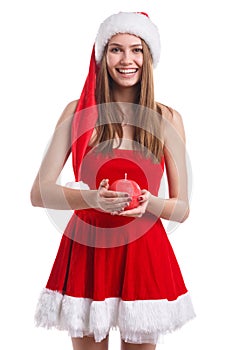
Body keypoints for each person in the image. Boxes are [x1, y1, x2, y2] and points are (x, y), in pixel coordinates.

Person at [31, 11, 195, 350]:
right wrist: (90, 198)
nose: (127, 59)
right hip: (88, 250)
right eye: (116, 49)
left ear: (148, 58)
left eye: (136, 50)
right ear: (102, 56)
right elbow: (39, 192)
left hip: (143, 252)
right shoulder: (78, 112)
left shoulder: (167, 119)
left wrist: (150, 203)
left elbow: (181, 209)